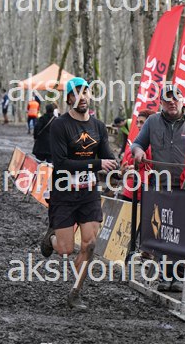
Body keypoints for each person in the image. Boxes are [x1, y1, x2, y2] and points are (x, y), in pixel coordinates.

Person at [39, 77, 117, 309]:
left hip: (89, 193)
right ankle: (51, 238)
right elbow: (61, 163)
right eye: (77, 93)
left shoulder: (98, 126)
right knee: (65, 249)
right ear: (69, 98)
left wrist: (118, 167)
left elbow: (107, 156)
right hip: (64, 192)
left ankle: (76, 291)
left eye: (86, 92)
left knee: (90, 244)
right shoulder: (60, 125)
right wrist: (97, 164)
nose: (82, 97)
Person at [131, 83, 185, 292]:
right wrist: (138, 152)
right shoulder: (152, 121)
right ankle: (166, 275)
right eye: (167, 99)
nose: (172, 102)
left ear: (182, 99)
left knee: (183, 231)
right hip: (160, 184)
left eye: (176, 98)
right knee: (165, 230)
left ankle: (180, 276)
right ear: (161, 103)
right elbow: (137, 143)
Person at [119, 109, 155, 202]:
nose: (138, 125)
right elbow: (131, 162)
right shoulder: (138, 142)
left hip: (145, 191)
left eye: (142, 122)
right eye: (137, 122)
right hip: (132, 190)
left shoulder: (154, 142)